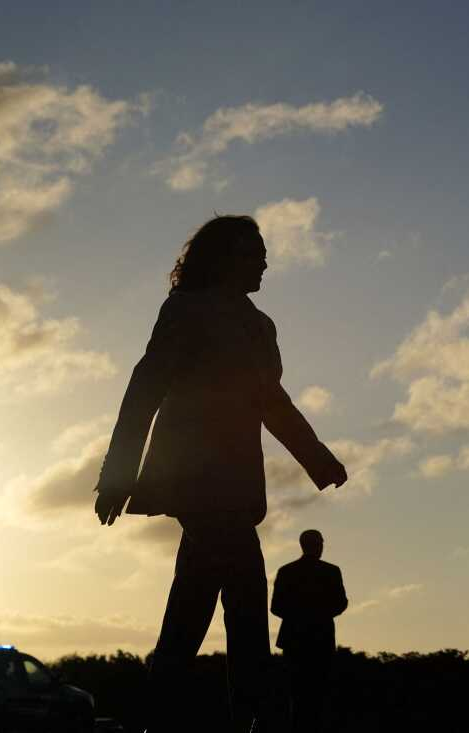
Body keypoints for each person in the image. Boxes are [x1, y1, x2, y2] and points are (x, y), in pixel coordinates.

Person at [93, 215, 347, 733]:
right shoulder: (186, 309)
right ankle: (255, 714)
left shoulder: (260, 324)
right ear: (222, 259)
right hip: (195, 478)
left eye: (263, 251)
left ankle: (165, 711)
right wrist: (117, 474)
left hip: (237, 480)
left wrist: (316, 458)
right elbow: (146, 386)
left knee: (199, 598)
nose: (263, 260)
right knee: (245, 598)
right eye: (251, 251)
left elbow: (270, 401)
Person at [271, 530, 348, 733]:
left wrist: (299, 615)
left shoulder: (287, 571)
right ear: (318, 545)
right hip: (320, 641)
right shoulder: (331, 572)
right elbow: (341, 603)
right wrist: (318, 614)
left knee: (297, 696)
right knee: (318, 696)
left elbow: (276, 607)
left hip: (294, 641)